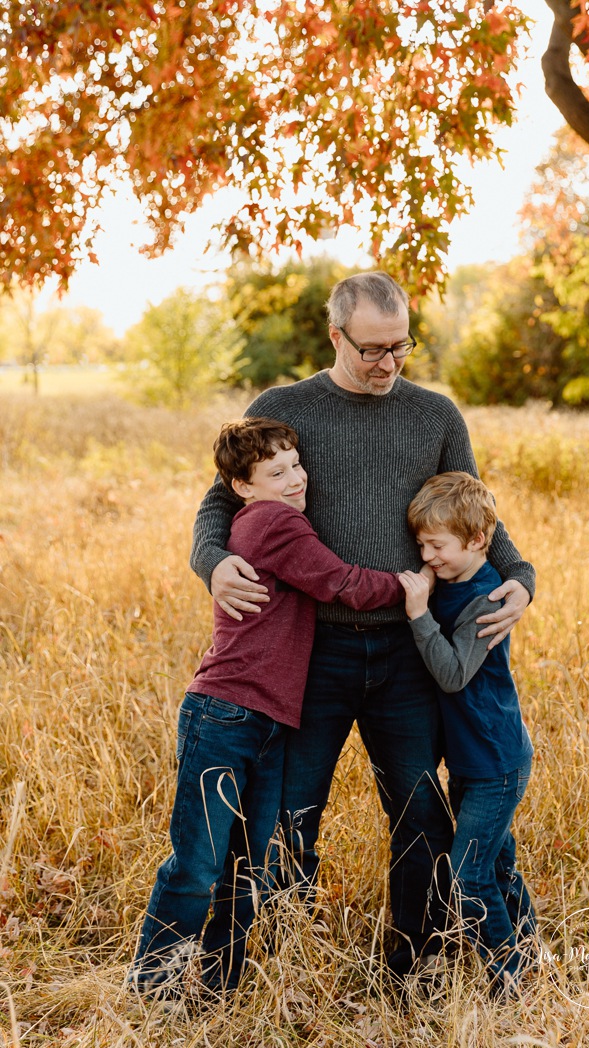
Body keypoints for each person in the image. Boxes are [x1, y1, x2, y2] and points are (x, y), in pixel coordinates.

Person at [190, 271, 535, 974]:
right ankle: (288, 960)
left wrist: (522, 579)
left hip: (409, 651)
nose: (387, 363)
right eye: (371, 348)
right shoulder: (285, 407)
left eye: (399, 347)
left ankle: (413, 963)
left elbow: (475, 510)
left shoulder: (434, 416)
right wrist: (213, 562)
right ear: (335, 335)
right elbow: (220, 504)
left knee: (417, 813)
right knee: (292, 813)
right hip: (311, 652)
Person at [132, 418, 405, 998]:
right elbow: (341, 583)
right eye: (275, 472)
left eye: (296, 464)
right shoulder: (275, 522)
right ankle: (151, 985)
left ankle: (217, 982)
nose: (294, 478)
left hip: (266, 720)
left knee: (246, 864)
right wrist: (414, 584)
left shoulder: (266, 516)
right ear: (242, 486)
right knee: (199, 863)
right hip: (226, 714)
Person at [398, 471, 537, 995]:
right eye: (421, 545)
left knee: (467, 875)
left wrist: (417, 613)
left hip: (494, 762)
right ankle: (529, 955)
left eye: (437, 546)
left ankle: (510, 982)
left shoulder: (487, 598)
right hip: (468, 757)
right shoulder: (452, 583)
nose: (427, 556)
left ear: (478, 540)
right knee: (496, 864)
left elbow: (454, 673)